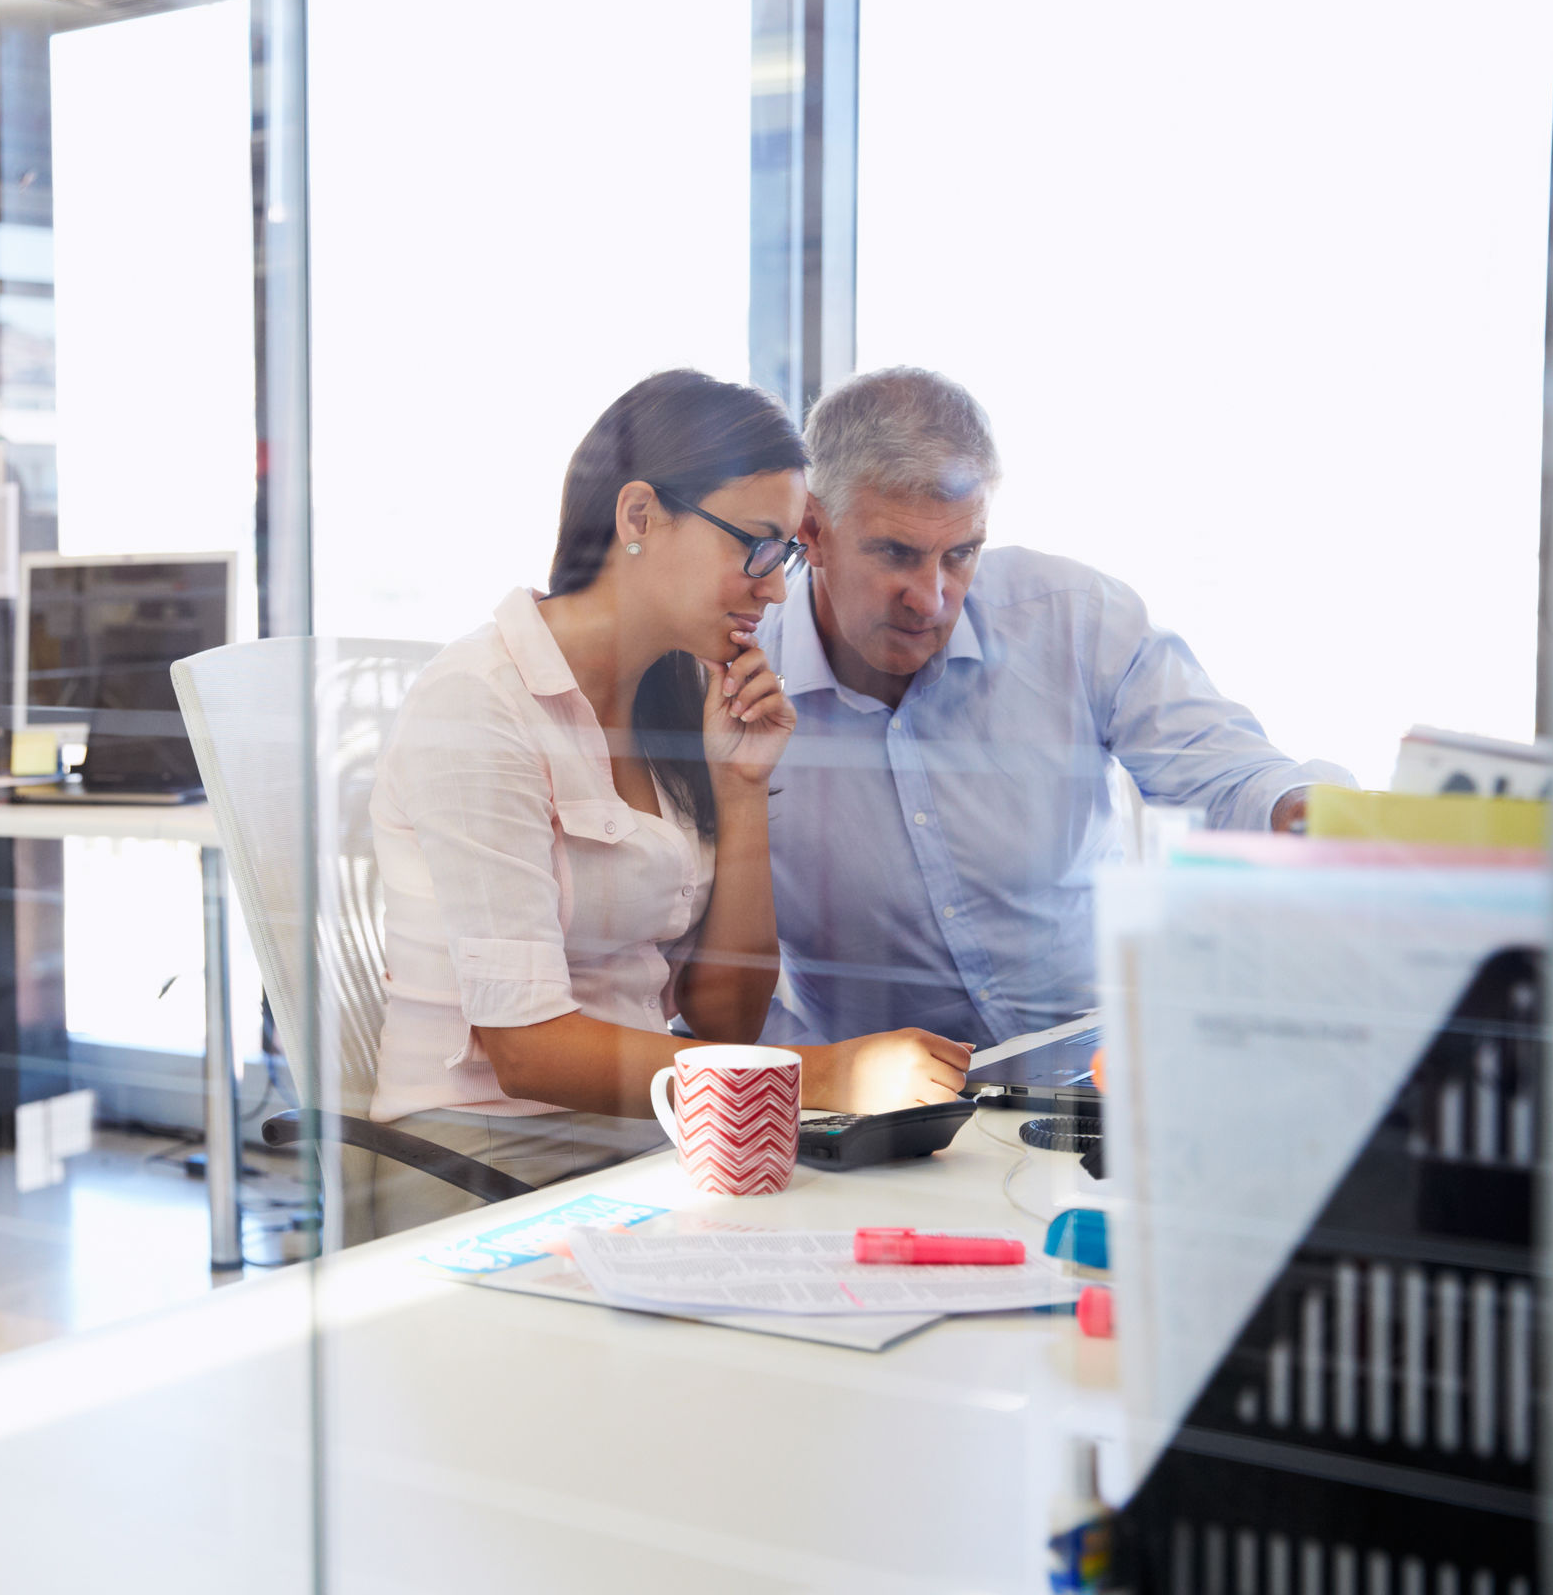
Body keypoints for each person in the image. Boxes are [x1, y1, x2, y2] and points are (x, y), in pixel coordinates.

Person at [365, 370, 972, 1235]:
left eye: (785, 557)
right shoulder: (478, 702)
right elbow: (528, 1050)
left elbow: (724, 1015)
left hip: (647, 1144)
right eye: (757, 547)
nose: (775, 588)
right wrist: (824, 1075)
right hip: (483, 1158)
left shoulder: (681, 695)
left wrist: (742, 789)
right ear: (640, 516)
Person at [758, 367, 1352, 1048]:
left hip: (1104, 1064)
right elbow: (704, 976)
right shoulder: (736, 691)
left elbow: (1228, 777)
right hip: (876, 1102)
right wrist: (821, 1079)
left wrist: (1301, 812)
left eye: (961, 554)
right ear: (813, 528)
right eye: (896, 553)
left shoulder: (1075, 620)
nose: (931, 598)